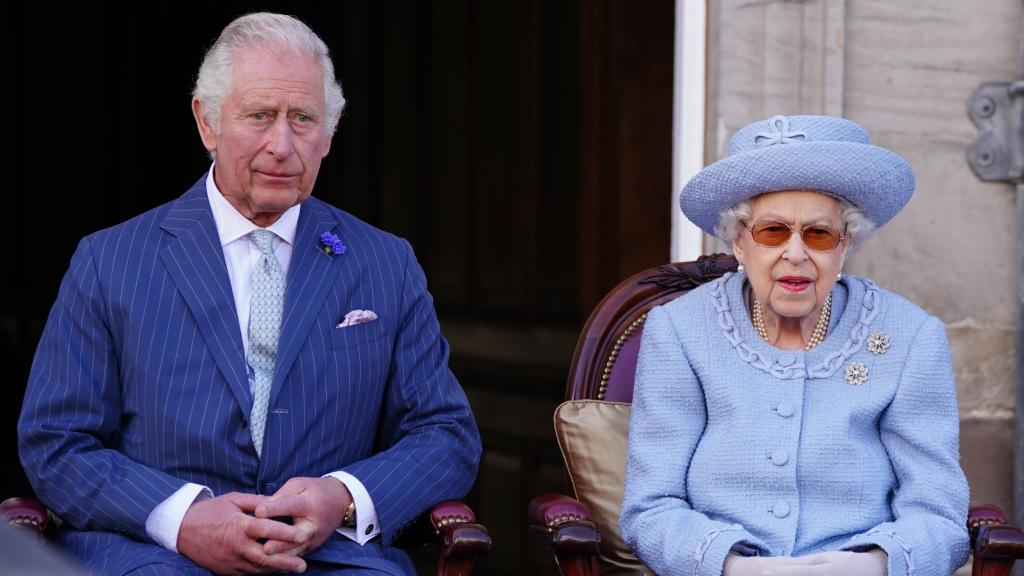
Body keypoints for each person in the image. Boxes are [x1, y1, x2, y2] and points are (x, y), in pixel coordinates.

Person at [18, 12, 481, 576]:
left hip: (331, 560)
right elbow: (56, 443)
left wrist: (342, 496)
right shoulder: (110, 261)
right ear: (207, 123)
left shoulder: (386, 263)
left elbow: (446, 435)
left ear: (329, 134)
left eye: (303, 119)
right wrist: (182, 518)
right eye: (260, 116)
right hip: (156, 557)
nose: (282, 145)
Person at [619, 115, 968, 576]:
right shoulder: (680, 330)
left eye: (819, 234)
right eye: (773, 232)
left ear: (845, 245)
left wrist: (874, 565)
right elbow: (650, 507)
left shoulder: (910, 336)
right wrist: (734, 568)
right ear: (740, 242)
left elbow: (939, 513)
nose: (797, 254)